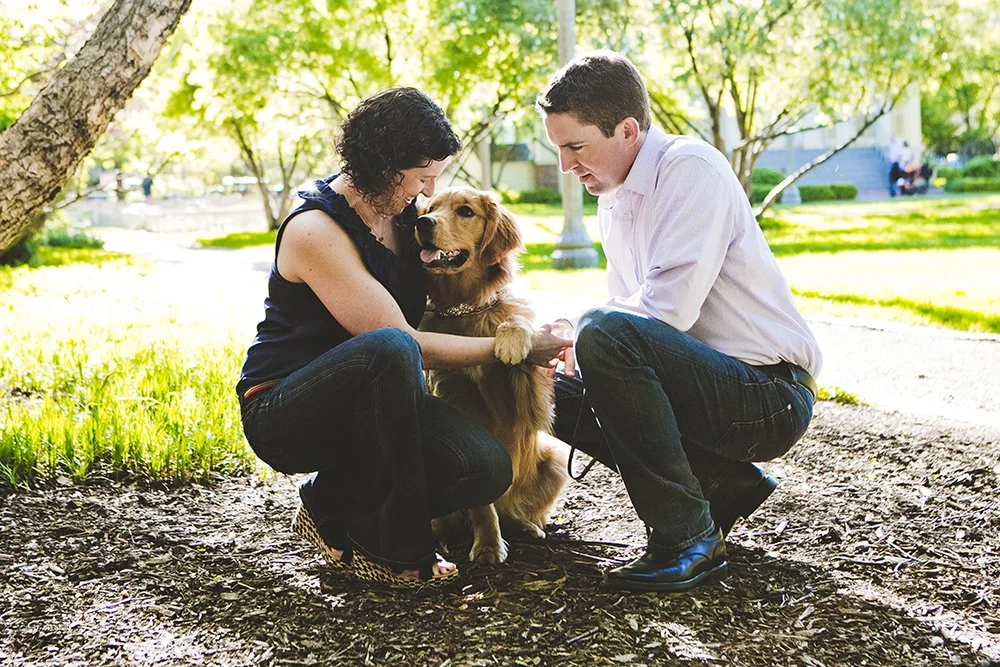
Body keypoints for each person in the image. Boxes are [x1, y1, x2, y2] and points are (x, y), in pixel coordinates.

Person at [236, 87, 572, 588]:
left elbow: (474, 285)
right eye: (422, 176)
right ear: (385, 165)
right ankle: (393, 542)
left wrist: (523, 328)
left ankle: (330, 500)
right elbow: (403, 341)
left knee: (484, 466)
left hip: (376, 404)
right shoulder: (316, 230)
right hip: (288, 405)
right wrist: (511, 352)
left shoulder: (407, 220)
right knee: (392, 348)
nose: (427, 190)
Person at [536, 51, 822, 593]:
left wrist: (581, 331)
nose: (566, 166)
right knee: (544, 385)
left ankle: (687, 538)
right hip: (703, 389)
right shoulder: (614, 200)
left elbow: (666, 311)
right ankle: (721, 483)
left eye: (575, 147)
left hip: (768, 395)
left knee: (600, 333)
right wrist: (568, 347)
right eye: (559, 150)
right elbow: (629, 327)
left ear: (626, 129)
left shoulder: (690, 168)